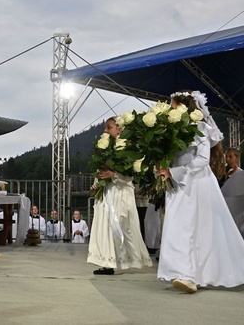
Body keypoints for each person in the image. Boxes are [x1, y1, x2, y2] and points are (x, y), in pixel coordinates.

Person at [155, 91, 244, 293]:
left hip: (197, 183)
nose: (170, 109)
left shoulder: (201, 128)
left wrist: (175, 171)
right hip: (176, 183)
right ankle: (181, 271)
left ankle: (189, 275)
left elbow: (203, 160)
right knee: (176, 227)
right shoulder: (168, 129)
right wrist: (162, 167)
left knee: (194, 228)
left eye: (173, 105)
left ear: (184, 107)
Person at [88, 117, 152, 275]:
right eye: (105, 128)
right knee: (104, 226)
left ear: (119, 129)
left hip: (121, 192)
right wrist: (98, 181)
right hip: (107, 191)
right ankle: (106, 261)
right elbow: (100, 170)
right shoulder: (105, 149)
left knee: (121, 226)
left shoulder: (129, 148)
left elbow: (131, 176)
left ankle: (128, 258)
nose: (105, 131)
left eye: (108, 127)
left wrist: (114, 174)